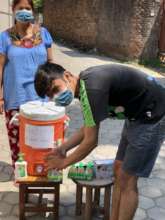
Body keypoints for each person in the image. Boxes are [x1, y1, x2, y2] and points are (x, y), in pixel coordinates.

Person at [34, 62, 165, 220]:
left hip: (152, 114)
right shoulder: (84, 87)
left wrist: (64, 163)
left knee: (127, 179)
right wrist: (63, 148)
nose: (55, 97)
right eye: (50, 95)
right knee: (118, 170)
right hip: (136, 114)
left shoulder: (92, 88)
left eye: (55, 89)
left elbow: (91, 141)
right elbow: (88, 127)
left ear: (67, 76)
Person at [0, 0, 53, 167]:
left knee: (41, 140)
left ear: (33, 10)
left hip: (41, 98)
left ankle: (40, 173)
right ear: (13, 9)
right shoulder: (4, 37)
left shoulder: (43, 33)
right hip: (15, 97)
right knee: (18, 143)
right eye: (20, 8)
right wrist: (0, 97)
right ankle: (20, 175)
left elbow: (51, 63)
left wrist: (56, 91)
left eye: (27, 8)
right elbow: (0, 67)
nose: (24, 11)